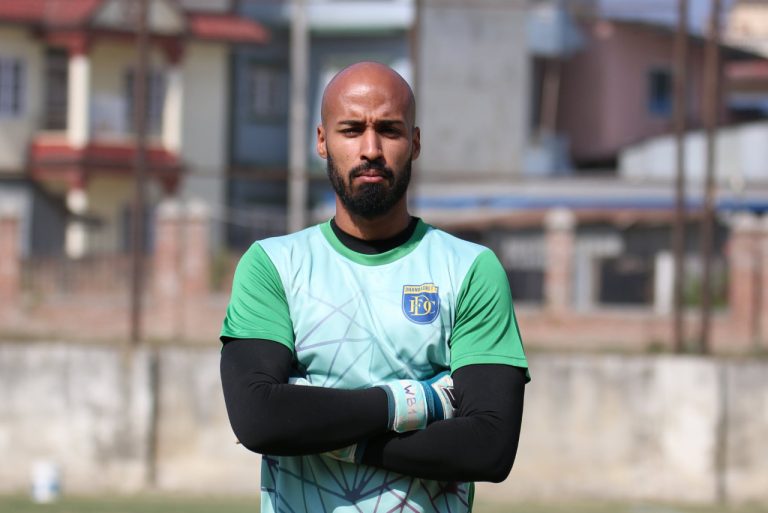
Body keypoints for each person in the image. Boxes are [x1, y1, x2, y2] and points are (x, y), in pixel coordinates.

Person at [220, 61, 529, 513]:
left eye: (389, 130)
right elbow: (259, 419)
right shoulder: (273, 266)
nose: (371, 149)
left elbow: (489, 446)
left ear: (415, 143)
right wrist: (418, 401)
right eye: (351, 130)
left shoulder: (470, 270)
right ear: (322, 141)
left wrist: (336, 436)